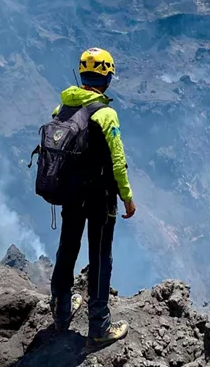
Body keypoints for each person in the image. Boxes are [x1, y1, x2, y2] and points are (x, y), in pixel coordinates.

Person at [48, 47, 137, 347]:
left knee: (67, 248)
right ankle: (99, 326)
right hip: (100, 198)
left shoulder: (62, 108)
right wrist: (127, 196)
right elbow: (117, 160)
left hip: (71, 195)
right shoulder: (105, 113)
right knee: (100, 257)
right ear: (107, 77)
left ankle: (61, 311)